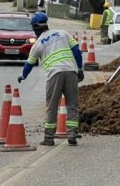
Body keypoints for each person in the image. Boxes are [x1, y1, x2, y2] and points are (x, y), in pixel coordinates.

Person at [18, 11, 84, 146]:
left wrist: (22, 75)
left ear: (36, 28)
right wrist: (80, 69)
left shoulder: (37, 44)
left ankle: (49, 138)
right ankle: (72, 134)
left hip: (55, 74)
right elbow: (77, 50)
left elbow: (29, 64)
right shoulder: (62, 33)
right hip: (71, 71)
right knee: (72, 104)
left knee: (52, 106)